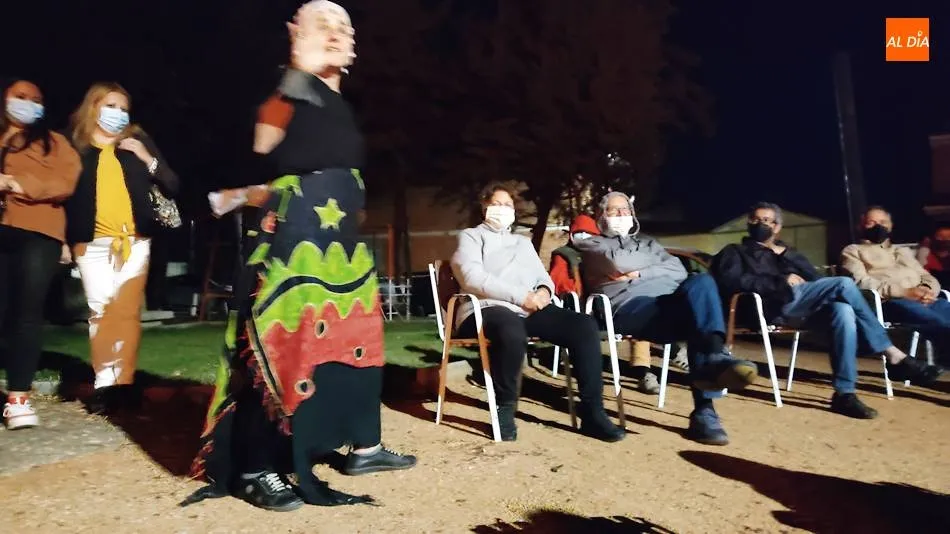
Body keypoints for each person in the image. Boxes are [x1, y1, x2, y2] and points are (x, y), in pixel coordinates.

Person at [186, 1, 415, 512]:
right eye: (322, 26)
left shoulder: (340, 105)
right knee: (283, 341)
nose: (334, 34)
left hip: (342, 248)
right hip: (295, 242)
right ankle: (255, 467)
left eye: (343, 27)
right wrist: (295, 73)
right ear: (295, 34)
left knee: (355, 337)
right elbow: (259, 150)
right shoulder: (284, 92)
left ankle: (364, 447)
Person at [712, 202, 942, 419]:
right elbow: (731, 281)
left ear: (777, 227)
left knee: (843, 311)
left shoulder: (790, 253)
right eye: (756, 219)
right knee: (843, 284)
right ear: (749, 223)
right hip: (768, 305)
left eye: (767, 220)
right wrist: (781, 280)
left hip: (803, 306)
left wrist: (791, 263)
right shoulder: (734, 252)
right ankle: (892, 353)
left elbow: (816, 279)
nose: (761, 224)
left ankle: (844, 394)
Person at [573, 191, 758, 446]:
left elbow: (678, 269)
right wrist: (653, 268)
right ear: (601, 216)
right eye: (614, 210)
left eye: (625, 210)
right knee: (696, 319)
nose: (621, 215)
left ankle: (712, 370)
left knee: (702, 282)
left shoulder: (649, 243)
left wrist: (638, 273)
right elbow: (618, 261)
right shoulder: (594, 244)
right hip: (629, 308)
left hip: (668, 304)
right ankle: (705, 409)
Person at [451, 183, 625, 443]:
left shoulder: (522, 243)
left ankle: (592, 412)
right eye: (496, 204)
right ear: (484, 207)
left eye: (508, 205)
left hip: (528, 307)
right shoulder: (471, 237)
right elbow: (472, 277)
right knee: (510, 329)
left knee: (583, 326)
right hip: (485, 307)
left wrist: (544, 291)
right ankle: (505, 407)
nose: (503, 209)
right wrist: (522, 297)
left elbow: (542, 277)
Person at [65, 82, 179, 414]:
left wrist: (146, 157)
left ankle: (123, 383)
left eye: (123, 108)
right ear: (93, 107)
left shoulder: (136, 141)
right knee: (101, 312)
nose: (118, 114)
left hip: (135, 242)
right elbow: (63, 196)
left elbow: (172, 183)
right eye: (111, 106)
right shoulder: (75, 146)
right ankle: (105, 384)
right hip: (92, 244)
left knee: (127, 313)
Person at [0, 78, 81, 429]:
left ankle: (18, 398)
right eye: (20, 97)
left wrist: (16, 184)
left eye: (35, 99)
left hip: (39, 231)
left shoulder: (56, 143)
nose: (27, 103)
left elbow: (65, 182)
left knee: (27, 313)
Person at [549, 214, 672, 393]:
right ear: (571, 235)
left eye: (589, 234)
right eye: (579, 233)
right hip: (585, 309)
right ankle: (667, 356)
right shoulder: (565, 255)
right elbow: (559, 284)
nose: (584, 238)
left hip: (610, 306)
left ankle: (644, 371)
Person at [841, 206, 950, 366]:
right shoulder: (853, 251)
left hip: (924, 298)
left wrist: (927, 289)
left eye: (883, 222)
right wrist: (904, 292)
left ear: (890, 226)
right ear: (861, 226)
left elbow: (926, 276)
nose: (878, 226)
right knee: (938, 323)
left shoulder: (902, 252)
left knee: (945, 311)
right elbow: (861, 282)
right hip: (891, 301)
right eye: (871, 222)